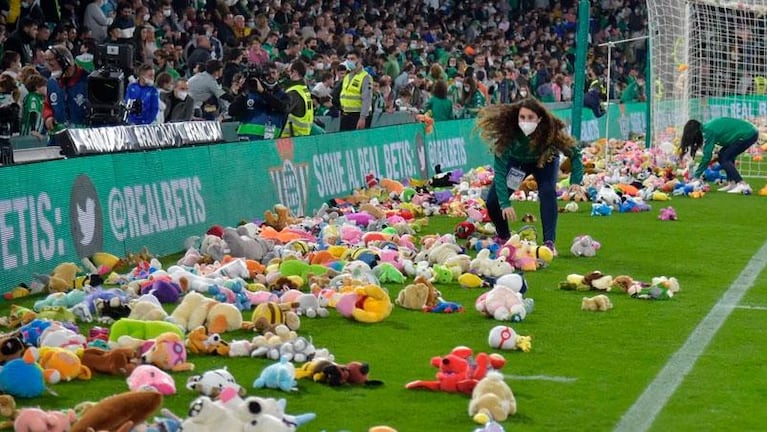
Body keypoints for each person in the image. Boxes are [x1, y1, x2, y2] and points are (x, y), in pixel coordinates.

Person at [476, 98, 584, 255]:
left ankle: (549, 243)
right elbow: (499, 172)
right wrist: (505, 203)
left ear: (539, 119)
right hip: (518, 165)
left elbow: (575, 153)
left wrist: (575, 180)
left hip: (544, 162)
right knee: (493, 201)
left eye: (531, 117)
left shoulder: (550, 133)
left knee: (547, 191)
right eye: (522, 117)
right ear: (517, 117)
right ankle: (505, 238)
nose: (526, 121)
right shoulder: (509, 135)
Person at [680, 117, 758, 194]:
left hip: (748, 134)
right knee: (723, 155)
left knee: (724, 158)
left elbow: (707, 156)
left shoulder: (707, 131)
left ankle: (742, 184)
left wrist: (696, 176)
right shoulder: (707, 128)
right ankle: (732, 183)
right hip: (748, 132)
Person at [228, 62, 288, 140]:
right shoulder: (249, 93)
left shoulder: (282, 95)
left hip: (269, 142)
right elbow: (232, 112)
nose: (270, 76)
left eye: (273, 73)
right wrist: (243, 92)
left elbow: (284, 108)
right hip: (246, 141)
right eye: (267, 74)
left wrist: (262, 92)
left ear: (278, 74)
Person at [42, 45, 89, 138]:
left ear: (65, 61)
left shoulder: (88, 81)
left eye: (51, 63)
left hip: (84, 138)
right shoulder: (52, 82)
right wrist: (48, 116)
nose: (48, 67)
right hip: (58, 138)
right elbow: (47, 105)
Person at [337, 49, 372, 131]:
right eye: (348, 59)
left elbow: (367, 98)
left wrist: (362, 117)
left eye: (352, 59)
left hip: (357, 115)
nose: (349, 61)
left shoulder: (365, 77)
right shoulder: (347, 76)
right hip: (345, 114)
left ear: (359, 60)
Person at [280, 60, 315, 137]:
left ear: (295, 72)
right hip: (303, 134)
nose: (287, 74)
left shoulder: (293, 92)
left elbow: (282, 110)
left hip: (291, 137)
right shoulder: (304, 89)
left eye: (289, 71)